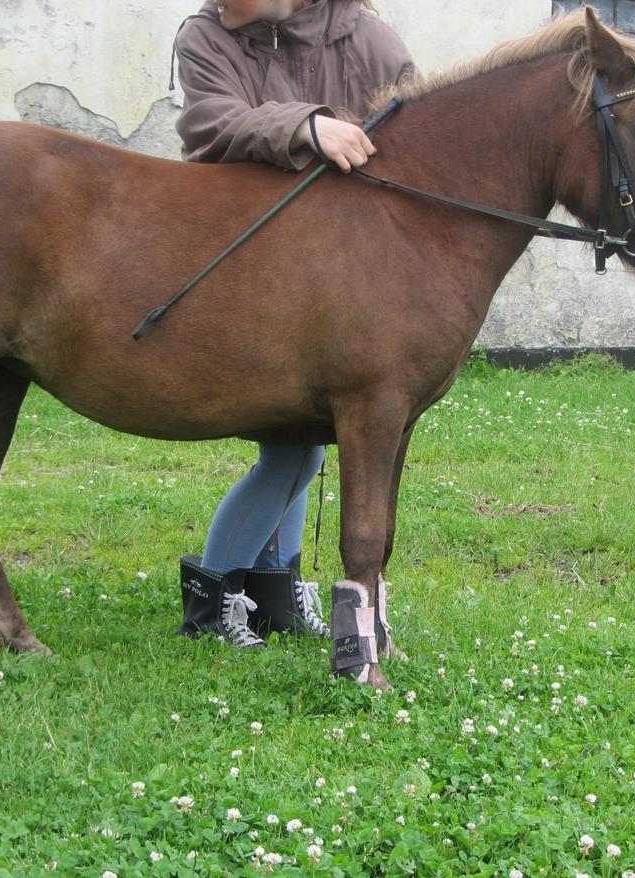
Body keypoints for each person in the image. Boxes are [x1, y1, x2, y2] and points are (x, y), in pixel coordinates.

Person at [172, 0, 415, 648]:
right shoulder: (204, 35)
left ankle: (272, 591)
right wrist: (308, 126)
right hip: (251, 271)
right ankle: (216, 592)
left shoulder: (364, 36)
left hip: (338, 280)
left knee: (302, 442)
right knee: (292, 447)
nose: (221, 3)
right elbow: (208, 126)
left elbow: (419, 128)